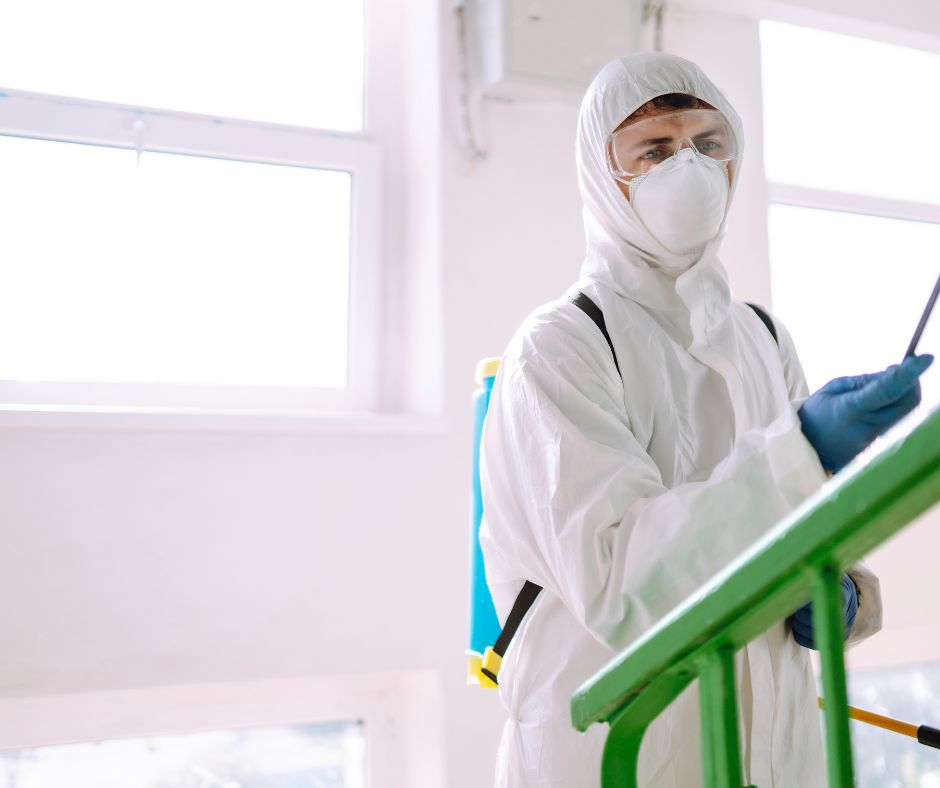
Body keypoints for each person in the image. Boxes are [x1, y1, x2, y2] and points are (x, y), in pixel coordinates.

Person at [478, 52, 934, 787]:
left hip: (773, 747)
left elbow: (795, 528)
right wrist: (802, 448)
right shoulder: (561, 345)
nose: (687, 166)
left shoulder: (762, 337)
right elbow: (620, 582)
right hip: (615, 753)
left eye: (707, 143)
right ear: (604, 175)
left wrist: (838, 593)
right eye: (654, 149)